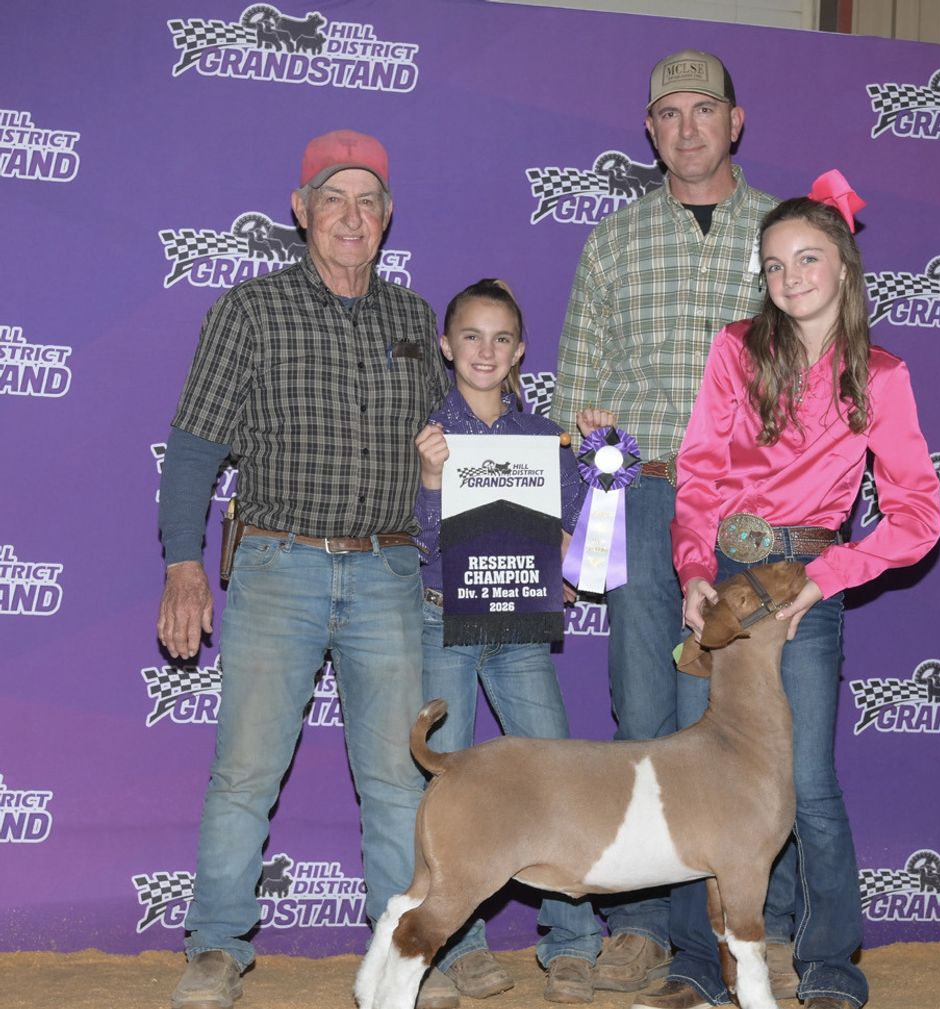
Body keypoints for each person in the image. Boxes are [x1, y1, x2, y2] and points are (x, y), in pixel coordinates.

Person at [156, 129, 449, 1009]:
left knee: (402, 777)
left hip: (390, 571)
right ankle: (215, 946)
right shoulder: (246, 310)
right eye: (334, 198)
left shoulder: (412, 317)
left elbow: (457, 450)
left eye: (367, 201)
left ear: (387, 217)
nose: (351, 217)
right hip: (278, 564)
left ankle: (400, 954)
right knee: (245, 768)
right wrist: (183, 564)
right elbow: (196, 449)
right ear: (300, 210)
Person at [670, 177, 940, 1009]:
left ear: (846, 267)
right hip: (726, 579)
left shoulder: (883, 376)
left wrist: (829, 576)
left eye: (808, 258)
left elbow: (918, 514)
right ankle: (695, 963)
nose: (789, 277)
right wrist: (693, 566)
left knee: (811, 782)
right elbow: (701, 471)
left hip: (804, 590)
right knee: (699, 775)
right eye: (775, 263)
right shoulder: (736, 348)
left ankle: (829, 966)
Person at [550, 49, 785, 1006]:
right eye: (668, 114)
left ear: (735, 120)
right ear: (649, 131)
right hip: (643, 497)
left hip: (755, 513)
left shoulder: (786, 232)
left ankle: (746, 937)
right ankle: (645, 928)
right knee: (645, 707)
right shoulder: (611, 242)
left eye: (704, 110)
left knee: (744, 732)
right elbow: (577, 389)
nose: (686, 128)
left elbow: (825, 370)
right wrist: (602, 441)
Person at [411, 279, 608, 1008]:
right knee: (453, 786)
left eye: (501, 338)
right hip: (444, 620)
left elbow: (573, 540)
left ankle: (573, 941)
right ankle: (459, 947)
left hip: (520, 628)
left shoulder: (545, 438)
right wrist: (431, 477)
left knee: (556, 780)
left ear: (520, 350)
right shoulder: (430, 430)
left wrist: (566, 536)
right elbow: (422, 544)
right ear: (447, 345)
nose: (486, 350)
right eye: (471, 335)